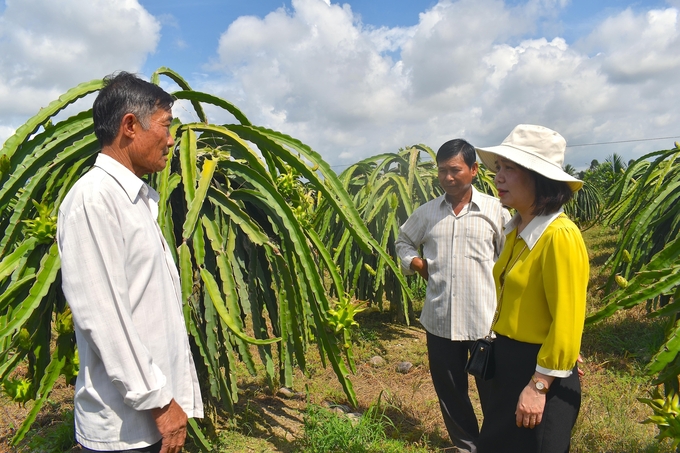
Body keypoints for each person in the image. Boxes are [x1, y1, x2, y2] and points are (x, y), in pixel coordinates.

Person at [57, 72, 203, 453]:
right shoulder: (94, 200)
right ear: (129, 126)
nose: (172, 140)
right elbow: (106, 319)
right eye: (166, 126)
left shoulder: (135, 200)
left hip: (147, 418)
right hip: (124, 430)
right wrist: (160, 402)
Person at [474, 124, 589, 452]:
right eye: (499, 168)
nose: (498, 178)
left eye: (510, 169)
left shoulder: (559, 236)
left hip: (539, 373)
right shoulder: (515, 231)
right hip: (508, 363)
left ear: (540, 179)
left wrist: (539, 386)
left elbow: (567, 320)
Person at [395, 139, 508, 453]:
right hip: (440, 317)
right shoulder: (428, 213)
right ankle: (468, 447)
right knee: (451, 392)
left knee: (493, 392)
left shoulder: (495, 210)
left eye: (455, 170)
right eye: (442, 171)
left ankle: (495, 444)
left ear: (472, 170)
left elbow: (511, 256)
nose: (447, 177)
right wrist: (416, 263)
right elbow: (403, 241)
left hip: (485, 321)